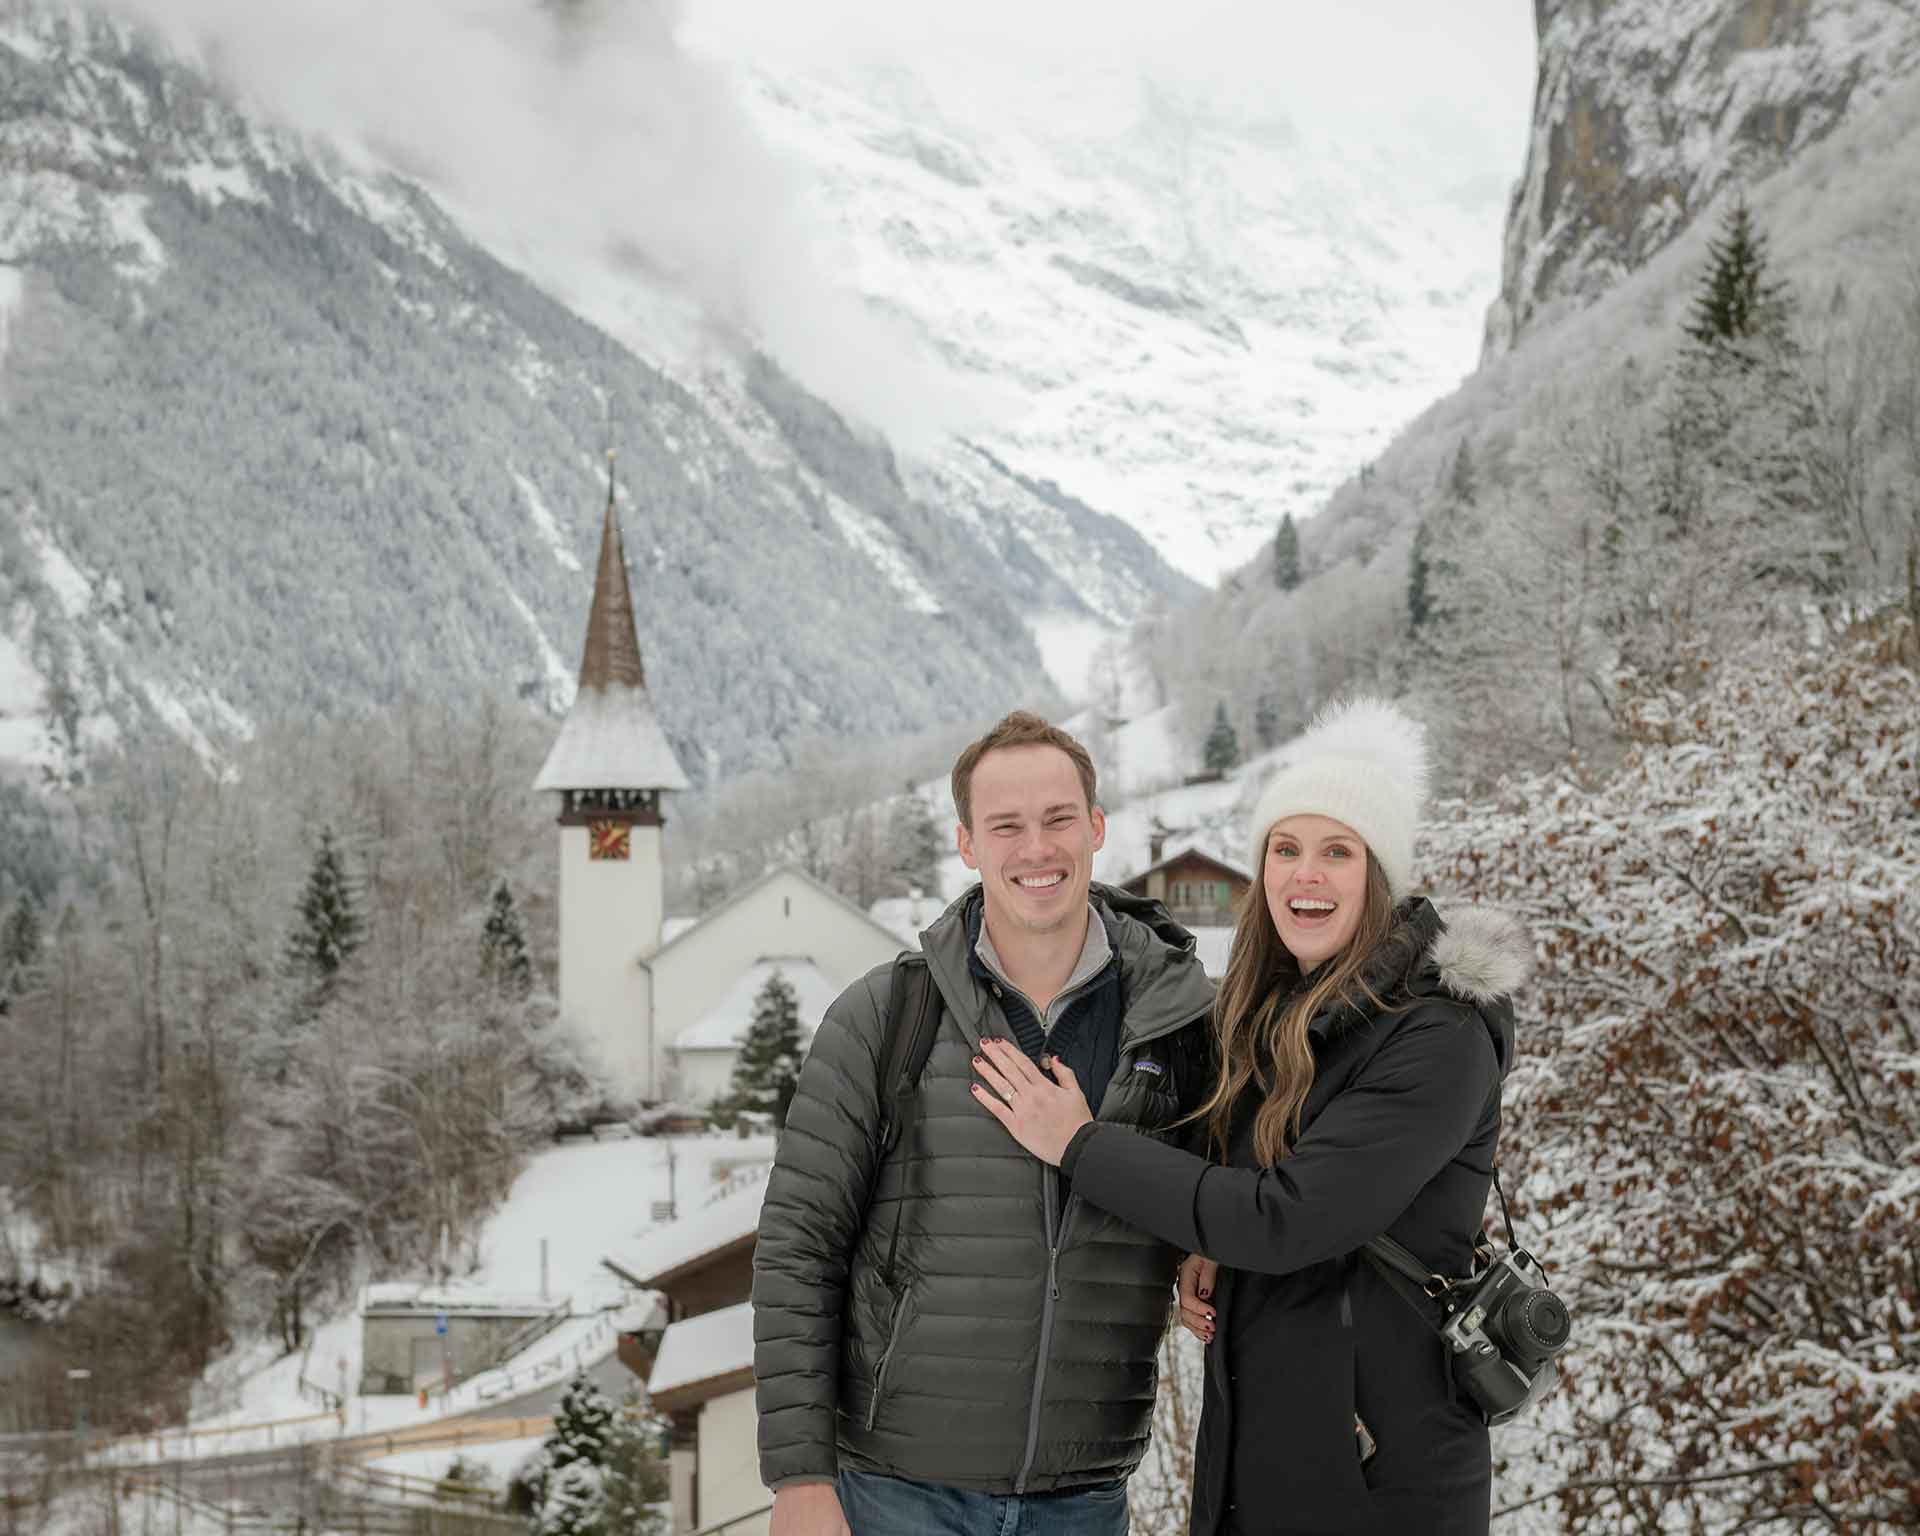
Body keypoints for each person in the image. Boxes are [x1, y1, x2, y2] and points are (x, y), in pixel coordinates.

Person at [972, 698, 1532, 1536]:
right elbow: (1244, 1180)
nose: (1306, 875)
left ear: (1379, 876)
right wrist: (1201, 1243)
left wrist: (1081, 1145)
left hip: (1380, 1482)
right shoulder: (1282, 1015)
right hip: (1261, 1453)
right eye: (1286, 849)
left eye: (1337, 852)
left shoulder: (1438, 1036)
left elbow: (1288, 1219)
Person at [752, 710, 1218, 1536]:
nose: (1036, 849)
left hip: (1085, 1492)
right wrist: (798, 1474)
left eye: (1058, 819)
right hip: (900, 1491)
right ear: (967, 843)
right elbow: (798, 1247)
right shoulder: (884, 1016)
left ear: (1097, 827)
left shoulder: (1176, 1021)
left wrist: (1201, 1247)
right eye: (1006, 825)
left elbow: (1219, 1191)